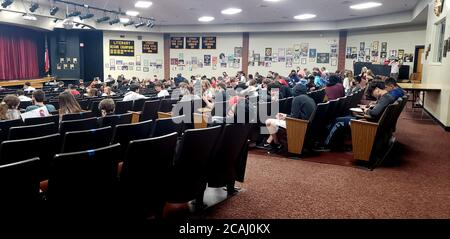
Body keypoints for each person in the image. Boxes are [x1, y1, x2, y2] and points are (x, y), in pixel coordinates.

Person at [264, 85, 316, 153]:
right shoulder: (309, 98)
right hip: (306, 125)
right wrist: (285, 116)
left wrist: (285, 117)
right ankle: (271, 141)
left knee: (268, 122)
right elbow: (297, 115)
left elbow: (294, 117)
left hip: (299, 124)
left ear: (296, 91)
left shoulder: (297, 99)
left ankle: (276, 143)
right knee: (275, 122)